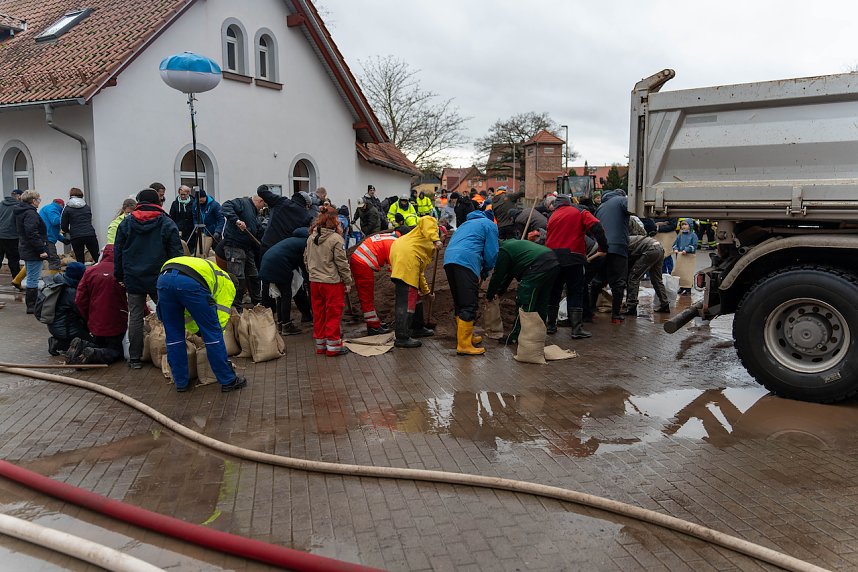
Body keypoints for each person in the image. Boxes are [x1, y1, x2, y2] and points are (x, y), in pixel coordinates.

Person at [114, 189, 183, 369]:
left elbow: (118, 251)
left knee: (135, 317)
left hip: (134, 277)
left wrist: (119, 275)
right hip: (160, 277)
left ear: (138, 202)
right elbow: (177, 253)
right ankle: (173, 353)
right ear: (157, 202)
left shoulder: (127, 223)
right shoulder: (166, 222)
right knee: (167, 315)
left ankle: (135, 358)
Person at [157, 255, 246, 392]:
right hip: (190, 282)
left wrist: (197, 331)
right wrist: (206, 334)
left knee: (174, 336)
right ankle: (228, 380)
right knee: (213, 334)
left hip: (164, 278)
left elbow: (186, 316)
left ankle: (181, 383)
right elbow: (219, 320)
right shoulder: (227, 284)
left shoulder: (211, 271)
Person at [545, 194, 608, 339]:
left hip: (553, 258)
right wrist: (603, 247)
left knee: (555, 291)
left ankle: (551, 325)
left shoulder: (553, 216)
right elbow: (597, 227)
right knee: (575, 291)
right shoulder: (578, 211)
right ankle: (576, 329)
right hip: (573, 257)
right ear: (569, 202)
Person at [443, 211, 499, 355]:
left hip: (449, 260)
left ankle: (465, 338)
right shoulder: (489, 224)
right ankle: (464, 345)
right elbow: (491, 252)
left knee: (460, 302)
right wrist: (486, 270)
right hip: (466, 260)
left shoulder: (464, 225)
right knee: (469, 303)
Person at [486, 239, 560, 344]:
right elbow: (508, 275)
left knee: (524, 301)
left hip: (537, 266)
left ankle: (516, 335)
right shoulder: (511, 245)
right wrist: (499, 291)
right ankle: (538, 335)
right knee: (541, 301)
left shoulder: (503, 251)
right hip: (553, 262)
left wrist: (490, 294)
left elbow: (498, 275)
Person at [65, 245, 128, 364]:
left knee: (100, 343)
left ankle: (83, 345)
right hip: (117, 322)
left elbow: (80, 299)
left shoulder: (90, 271)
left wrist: (88, 317)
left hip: (95, 322)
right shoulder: (123, 272)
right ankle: (94, 354)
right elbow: (135, 297)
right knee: (116, 351)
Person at [304, 207, 352, 356]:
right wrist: (348, 281)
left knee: (319, 314)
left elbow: (306, 258)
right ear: (335, 221)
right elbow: (342, 263)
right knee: (333, 314)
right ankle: (333, 348)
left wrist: (312, 272)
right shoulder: (336, 239)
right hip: (331, 283)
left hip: (314, 282)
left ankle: (321, 346)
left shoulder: (311, 237)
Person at [389, 216, 441, 348]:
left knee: (415, 296)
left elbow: (419, 274)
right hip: (406, 257)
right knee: (407, 300)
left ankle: (417, 328)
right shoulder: (428, 231)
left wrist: (427, 292)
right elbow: (427, 220)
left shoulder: (420, 243)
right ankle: (402, 337)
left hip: (402, 253)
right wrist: (436, 240)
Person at [259, 228, 312, 336]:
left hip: (267, 263)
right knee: (286, 295)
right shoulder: (304, 243)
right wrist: (309, 282)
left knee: (279, 296)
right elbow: (304, 264)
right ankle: (286, 325)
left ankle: (280, 323)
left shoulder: (291, 241)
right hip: (278, 266)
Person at [219, 194, 265, 306]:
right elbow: (225, 206)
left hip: (247, 247)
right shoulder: (243, 203)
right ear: (260, 201)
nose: (263, 208)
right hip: (235, 245)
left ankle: (258, 303)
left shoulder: (254, 212)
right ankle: (236, 307)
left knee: (253, 275)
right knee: (237, 277)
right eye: (263, 205)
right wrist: (237, 221)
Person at [350, 231, 399, 335]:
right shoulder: (395, 243)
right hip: (362, 263)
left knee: (367, 296)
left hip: (361, 260)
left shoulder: (389, 237)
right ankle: (373, 327)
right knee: (366, 297)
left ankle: (374, 323)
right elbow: (394, 269)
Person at [594, 189, 631, 323]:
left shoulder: (600, 207)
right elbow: (633, 208)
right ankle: (616, 315)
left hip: (601, 249)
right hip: (618, 247)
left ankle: (590, 313)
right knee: (618, 282)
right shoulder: (621, 200)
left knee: (598, 281)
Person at [41, 262, 89, 355]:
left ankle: (58, 341)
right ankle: (58, 344)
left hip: (55, 326)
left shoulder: (58, 282)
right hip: (66, 328)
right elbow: (83, 312)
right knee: (91, 343)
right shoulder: (71, 291)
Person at [14, 191, 48, 313]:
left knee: (31, 277)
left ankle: (33, 304)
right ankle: (32, 305)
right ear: (33, 201)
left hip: (26, 248)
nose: (39, 201)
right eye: (38, 199)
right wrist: (41, 250)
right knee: (33, 278)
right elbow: (32, 233)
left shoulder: (22, 211)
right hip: (33, 250)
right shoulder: (30, 213)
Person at [256, 185, 314, 253]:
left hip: (267, 245)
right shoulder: (306, 216)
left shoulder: (281, 201)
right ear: (306, 204)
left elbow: (261, 191)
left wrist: (266, 187)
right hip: (284, 249)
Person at [624, 235, 671, 316]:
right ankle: (665, 304)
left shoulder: (621, 244)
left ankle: (631, 307)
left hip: (650, 250)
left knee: (633, 278)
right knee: (657, 280)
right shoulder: (625, 239)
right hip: (659, 248)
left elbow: (627, 263)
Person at [61, 187, 99, 264]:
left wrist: (69, 231)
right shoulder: (86, 207)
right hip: (90, 234)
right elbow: (89, 219)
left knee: (80, 260)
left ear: (71, 196)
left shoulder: (67, 208)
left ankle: (81, 275)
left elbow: (64, 225)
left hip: (76, 236)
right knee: (97, 257)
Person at [0, 189, 22, 288]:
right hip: (12, 237)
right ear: (18, 196)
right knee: (13, 259)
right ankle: (16, 282)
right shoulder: (18, 206)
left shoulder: (1, 204)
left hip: (0, 235)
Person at [39, 198, 65, 275]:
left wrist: (63, 239)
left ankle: (18, 279)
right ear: (61, 205)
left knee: (36, 260)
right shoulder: (53, 209)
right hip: (47, 240)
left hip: (43, 238)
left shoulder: (47, 208)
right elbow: (55, 221)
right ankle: (54, 281)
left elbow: (52, 230)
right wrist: (67, 218)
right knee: (54, 260)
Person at [195, 190, 225, 256]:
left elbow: (221, 219)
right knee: (201, 253)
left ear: (205, 197)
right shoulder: (195, 205)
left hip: (213, 233)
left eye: (201, 198)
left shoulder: (214, 205)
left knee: (217, 253)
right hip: (202, 234)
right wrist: (196, 226)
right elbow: (195, 217)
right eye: (198, 198)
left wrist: (218, 231)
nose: (200, 200)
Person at [673, 219, 698, 295]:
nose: (683, 226)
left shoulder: (693, 235)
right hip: (680, 256)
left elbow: (694, 245)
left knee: (687, 272)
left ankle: (688, 288)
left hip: (688, 256)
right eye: (682, 225)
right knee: (680, 271)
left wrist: (687, 250)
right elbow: (675, 244)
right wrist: (676, 249)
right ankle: (682, 286)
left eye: (685, 225)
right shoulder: (680, 235)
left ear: (690, 226)